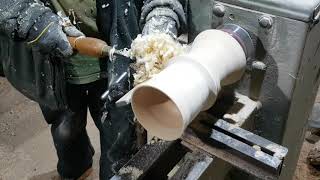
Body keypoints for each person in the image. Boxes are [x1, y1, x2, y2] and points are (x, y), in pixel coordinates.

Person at [0, 0, 186, 179]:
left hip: (116, 61)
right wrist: (30, 18)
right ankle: (76, 170)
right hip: (51, 63)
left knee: (119, 136)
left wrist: (161, 13)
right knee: (66, 131)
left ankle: (114, 174)